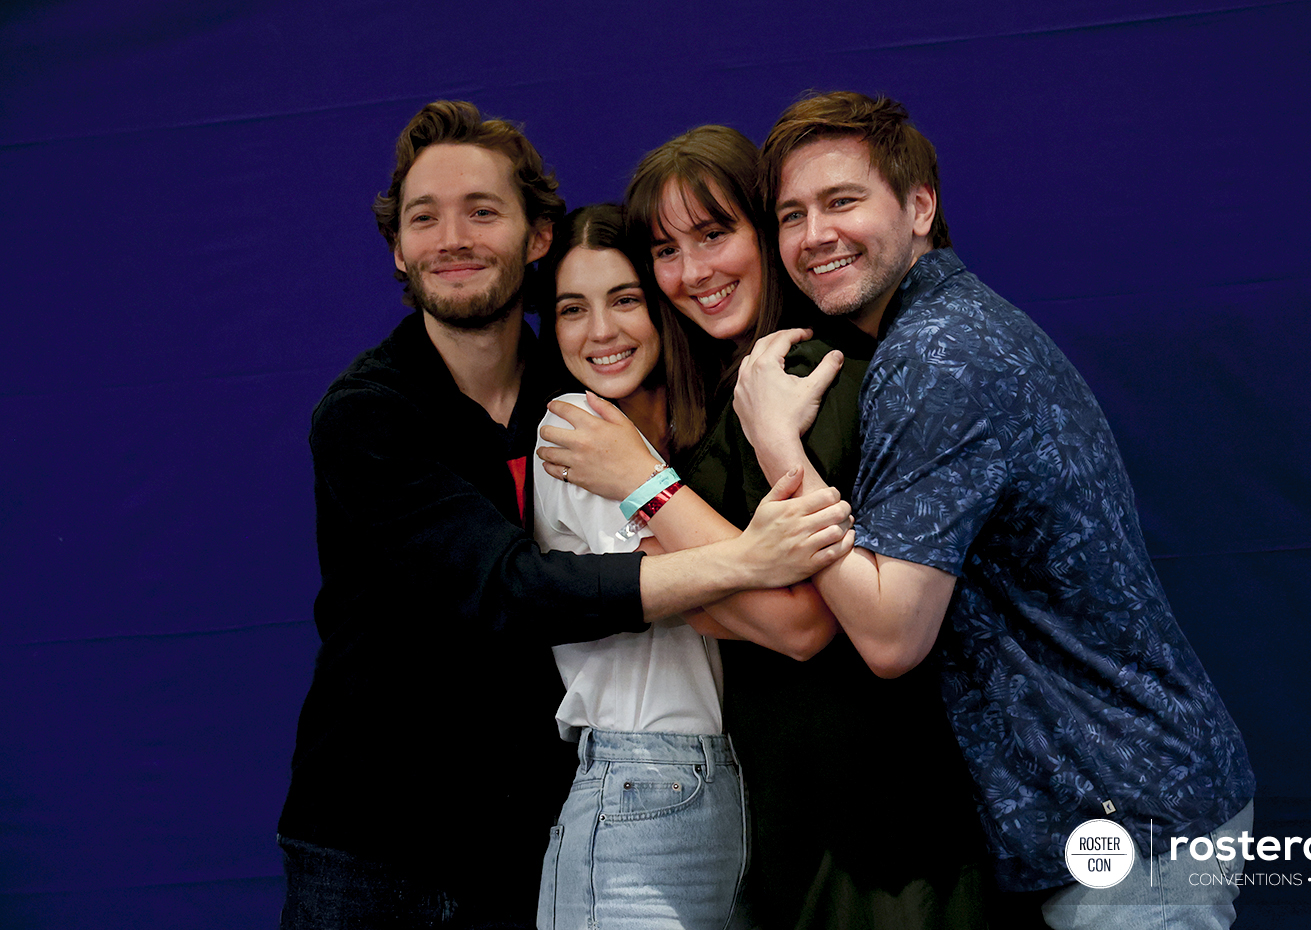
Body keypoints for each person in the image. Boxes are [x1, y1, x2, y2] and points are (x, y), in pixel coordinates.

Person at [276, 100, 853, 930]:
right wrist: (749, 562)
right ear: (398, 249)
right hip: (374, 839)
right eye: (424, 218)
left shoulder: (587, 394)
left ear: (536, 236)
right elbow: (510, 589)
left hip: (530, 823)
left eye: (483, 212)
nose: (453, 239)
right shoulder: (369, 417)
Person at [734, 91, 1257, 929]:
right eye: (792, 215)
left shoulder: (939, 352)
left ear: (919, 205)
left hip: (1132, 827)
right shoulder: (954, 327)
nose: (813, 236)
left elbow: (890, 635)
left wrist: (775, 447)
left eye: (842, 202)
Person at [538, 126, 990, 928]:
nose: (695, 273)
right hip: (788, 825)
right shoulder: (724, 398)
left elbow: (801, 623)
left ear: (767, 231)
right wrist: (690, 576)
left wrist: (650, 529)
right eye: (667, 252)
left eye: (716, 235)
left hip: (879, 839)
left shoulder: (810, 377)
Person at [529, 204, 749, 928]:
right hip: (638, 787)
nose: (601, 332)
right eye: (571, 309)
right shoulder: (576, 428)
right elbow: (709, 598)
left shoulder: (685, 434)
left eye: (624, 300)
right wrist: (763, 553)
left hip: (724, 785)